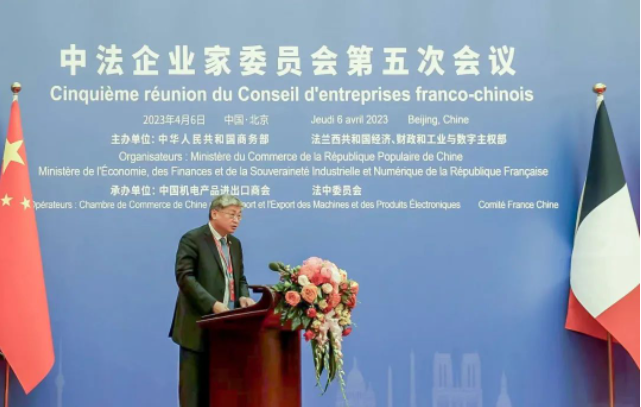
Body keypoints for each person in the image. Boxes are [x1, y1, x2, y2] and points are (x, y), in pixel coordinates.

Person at [169, 194, 256, 407]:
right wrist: (212, 304)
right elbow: (185, 277)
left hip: (226, 329)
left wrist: (244, 295)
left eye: (240, 216)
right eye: (232, 214)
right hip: (197, 326)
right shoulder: (193, 239)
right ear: (214, 213)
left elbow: (239, 277)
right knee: (193, 395)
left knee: (221, 393)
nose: (236, 220)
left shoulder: (235, 244)